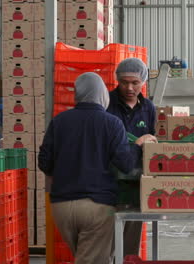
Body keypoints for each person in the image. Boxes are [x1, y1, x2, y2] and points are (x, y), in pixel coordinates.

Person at [37, 72, 155, 264]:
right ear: (102, 95)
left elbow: (44, 162)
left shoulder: (58, 122)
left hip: (61, 207)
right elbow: (125, 164)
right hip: (97, 207)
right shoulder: (112, 123)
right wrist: (138, 144)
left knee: (85, 256)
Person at [107, 58, 157, 257]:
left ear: (143, 82)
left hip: (136, 184)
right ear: (117, 80)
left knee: (130, 245)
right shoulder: (107, 104)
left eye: (135, 83)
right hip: (109, 183)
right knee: (106, 244)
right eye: (124, 82)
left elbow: (152, 143)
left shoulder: (148, 108)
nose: (129, 87)